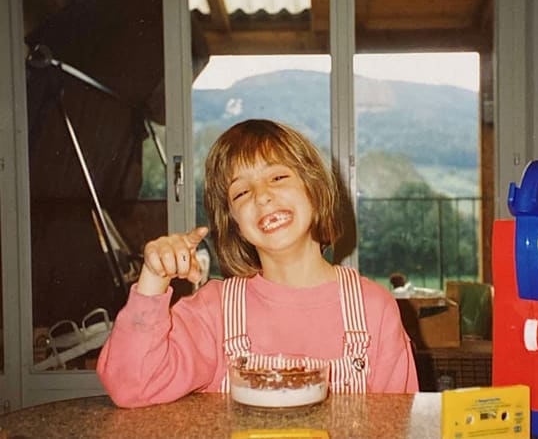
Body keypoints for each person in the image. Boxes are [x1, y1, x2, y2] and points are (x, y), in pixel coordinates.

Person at [97, 119, 419, 408]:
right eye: (241, 193)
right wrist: (153, 279)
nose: (261, 196)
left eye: (277, 177)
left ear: (314, 189)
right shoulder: (215, 311)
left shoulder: (373, 309)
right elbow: (131, 386)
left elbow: (398, 425)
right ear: (234, 222)